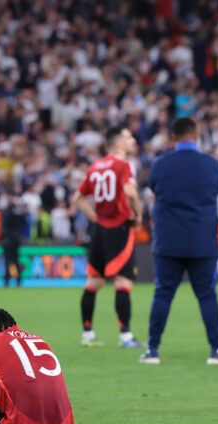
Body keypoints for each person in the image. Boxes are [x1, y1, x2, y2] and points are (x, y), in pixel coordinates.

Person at [142, 117, 218, 365]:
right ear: (196, 136)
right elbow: (214, 189)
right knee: (207, 295)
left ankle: (152, 350)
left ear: (174, 137)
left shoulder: (160, 165)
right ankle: (216, 350)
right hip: (201, 241)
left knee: (163, 293)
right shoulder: (211, 165)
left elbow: (153, 188)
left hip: (168, 241)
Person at [73, 127, 144, 349]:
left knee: (93, 282)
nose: (133, 140)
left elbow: (78, 198)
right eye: (128, 137)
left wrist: (94, 218)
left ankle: (88, 334)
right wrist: (138, 215)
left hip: (100, 231)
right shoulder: (122, 165)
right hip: (120, 228)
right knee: (123, 282)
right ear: (118, 143)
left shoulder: (95, 166)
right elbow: (130, 192)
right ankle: (125, 336)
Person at [0, 188, 27, 287]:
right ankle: (9, 280)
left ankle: (16, 280)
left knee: (13, 260)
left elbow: (22, 222)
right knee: (9, 260)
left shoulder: (10, 209)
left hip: (12, 238)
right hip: (11, 238)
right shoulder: (14, 209)